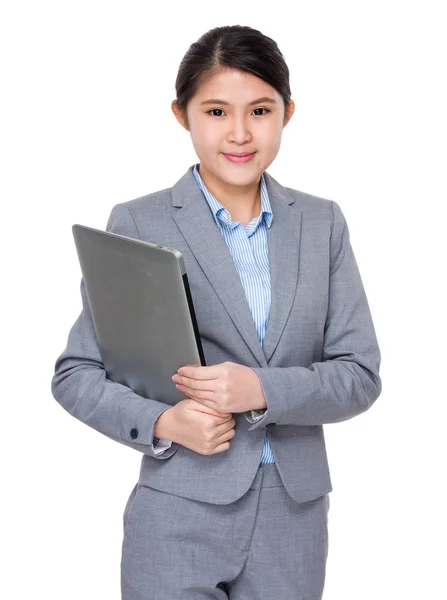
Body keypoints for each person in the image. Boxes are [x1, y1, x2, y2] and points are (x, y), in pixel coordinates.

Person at [51, 24, 382, 600]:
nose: (239, 133)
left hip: (293, 519)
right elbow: (76, 374)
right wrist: (163, 422)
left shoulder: (322, 224)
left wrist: (260, 388)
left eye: (259, 110)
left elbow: (359, 375)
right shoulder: (140, 223)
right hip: (178, 512)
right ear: (182, 115)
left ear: (287, 112)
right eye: (215, 111)